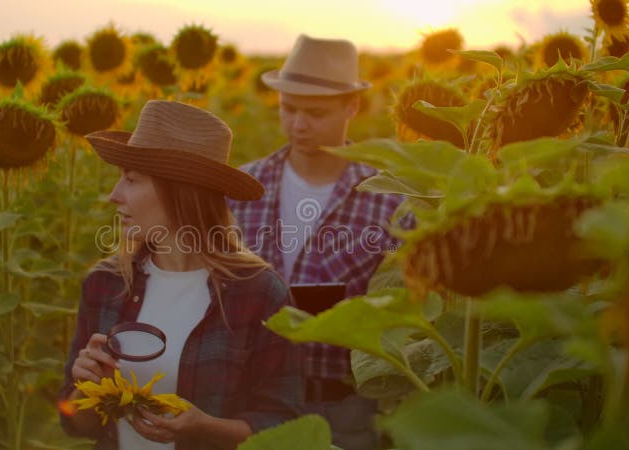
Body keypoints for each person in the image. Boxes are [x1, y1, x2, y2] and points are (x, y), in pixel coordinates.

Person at [60, 100, 303, 450]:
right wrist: (85, 387)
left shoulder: (258, 293)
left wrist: (207, 428)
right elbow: (75, 423)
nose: (115, 196)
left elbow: (286, 425)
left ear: (179, 192)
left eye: (131, 180)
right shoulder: (106, 283)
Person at [228, 34, 410, 450]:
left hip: (345, 408)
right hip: (251, 402)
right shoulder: (243, 189)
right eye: (288, 109)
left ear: (352, 107)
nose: (299, 124)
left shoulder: (387, 199)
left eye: (315, 112)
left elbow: (405, 304)